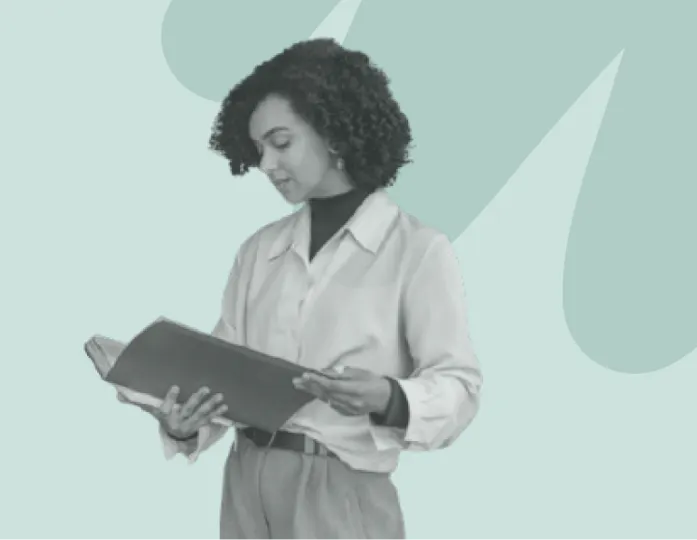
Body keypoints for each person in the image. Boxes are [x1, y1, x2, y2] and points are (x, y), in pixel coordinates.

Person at [122, 37, 482, 540]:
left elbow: (460, 389)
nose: (266, 164)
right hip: (245, 480)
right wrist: (183, 424)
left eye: (281, 142)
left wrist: (387, 396)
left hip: (340, 490)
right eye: (258, 149)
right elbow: (223, 374)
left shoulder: (418, 251)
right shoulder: (258, 251)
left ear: (334, 131)